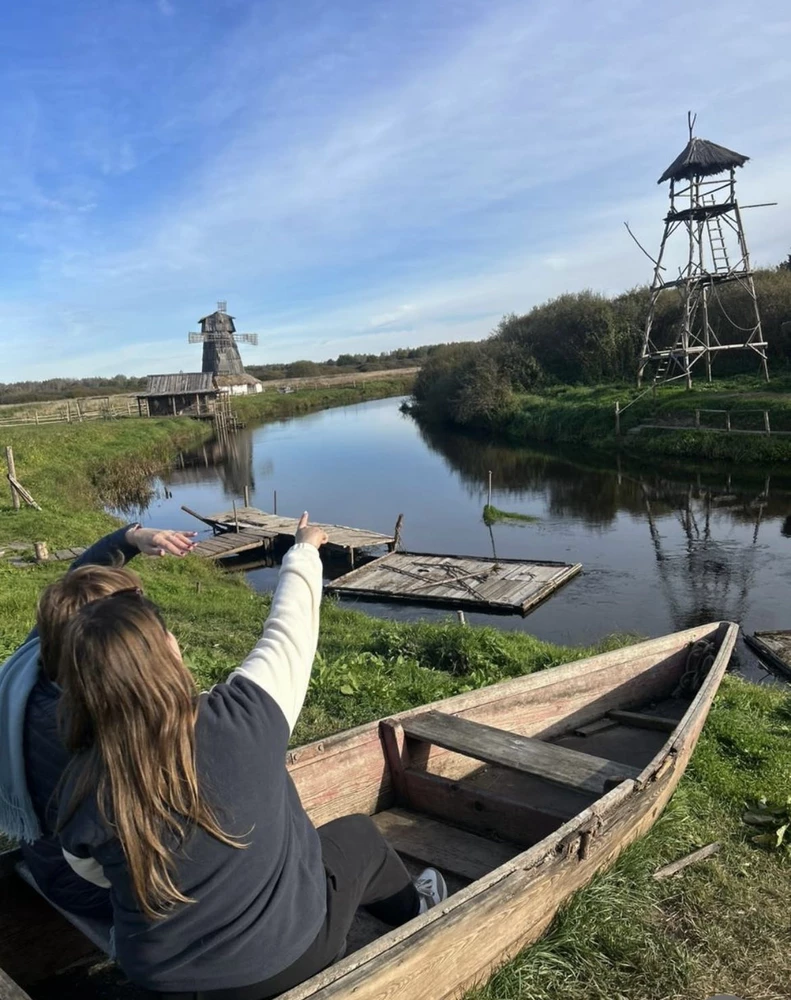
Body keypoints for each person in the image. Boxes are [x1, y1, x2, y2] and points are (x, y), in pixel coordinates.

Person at [55, 513, 447, 1000]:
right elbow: (289, 631)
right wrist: (304, 550)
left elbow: (91, 869)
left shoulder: (78, 782)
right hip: (285, 961)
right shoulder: (241, 715)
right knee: (360, 837)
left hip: (160, 982)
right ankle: (420, 913)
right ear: (168, 655)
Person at [0, 522, 197, 920]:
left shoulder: (36, 666)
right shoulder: (97, 728)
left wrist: (129, 539)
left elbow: (75, 584)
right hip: (88, 882)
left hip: (53, 855)